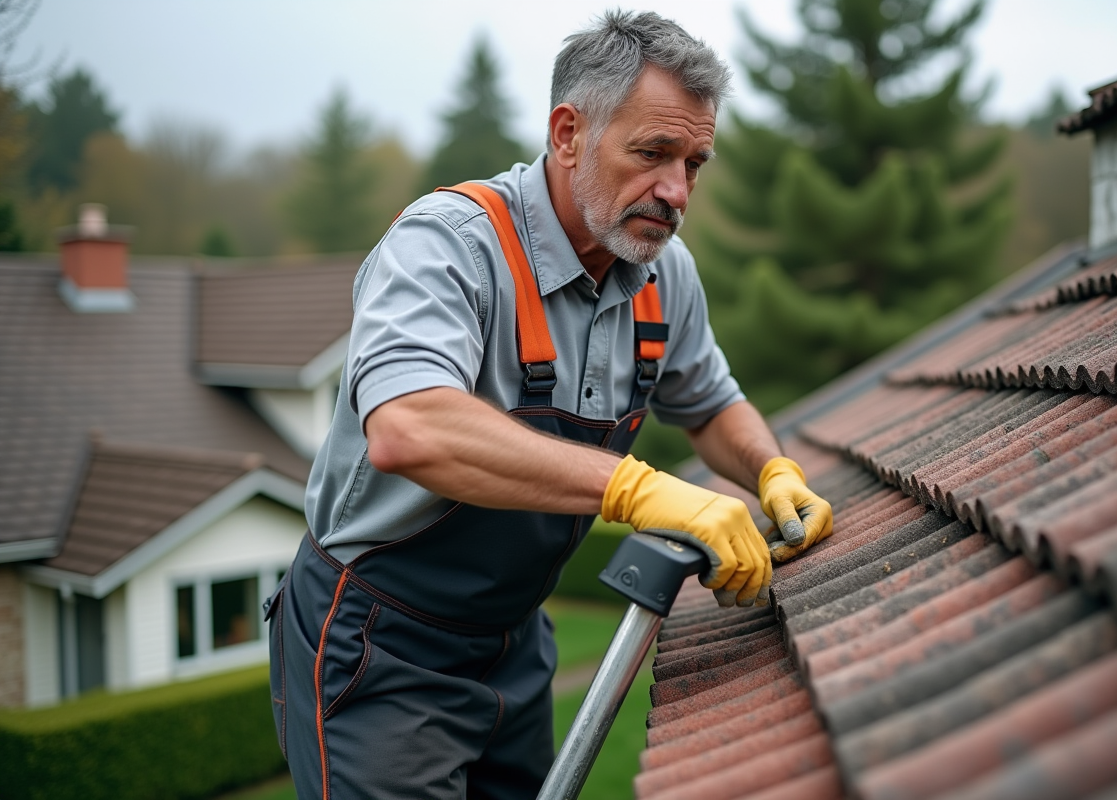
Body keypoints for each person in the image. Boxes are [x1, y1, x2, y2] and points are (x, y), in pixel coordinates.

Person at [266, 10, 834, 800]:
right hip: (380, 643)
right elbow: (408, 428)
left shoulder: (666, 276)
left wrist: (771, 468)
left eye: (695, 163)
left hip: (516, 641)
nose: (675, 191)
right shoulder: (448, 247)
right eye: (652, 154)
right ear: (568, 133)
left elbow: (710, 405)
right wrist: (638, 488)